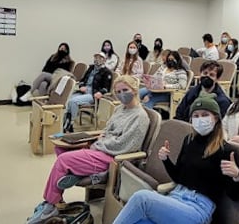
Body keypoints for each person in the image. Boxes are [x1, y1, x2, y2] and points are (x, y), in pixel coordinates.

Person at [26, 75, 150, 224]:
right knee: (60, 147)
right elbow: (107, 130)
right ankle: (79, 176)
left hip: (112, 157)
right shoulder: (120, 108)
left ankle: (50, 204)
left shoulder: (140, 116)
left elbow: (126, 145)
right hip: (103, 147)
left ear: (135, 90)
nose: (121, 94)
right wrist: (99, 138)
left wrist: (99, 143)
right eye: (118, 91)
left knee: (63, 160)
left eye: (125, 90)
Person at [113, 93, 239, 224]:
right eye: (196, 116)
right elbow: (178, 177)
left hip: (198, 208)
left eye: (205, 115)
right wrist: (166, 160)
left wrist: (236, 176)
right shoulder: (189, 140)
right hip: (176, 196)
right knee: (140, 221)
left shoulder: (225, 150)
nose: (200, 119)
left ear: (216, 118)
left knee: (142, 198)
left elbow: (234, 196)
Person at [62, 52, 112, 133]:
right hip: (83, 91)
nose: (97, 59)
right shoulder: (91, 68)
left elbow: (106, 88)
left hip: (93, 93)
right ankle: (67, 122)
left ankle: (71, 123)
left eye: (100, 58)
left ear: (104, 60)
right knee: (68, 100)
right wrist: (81, 86)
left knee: (73, 101)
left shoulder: (106, 72)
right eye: (96, 57)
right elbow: (82, 80)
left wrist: (101, 93)